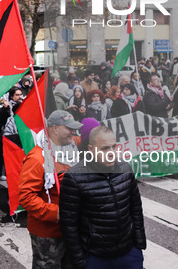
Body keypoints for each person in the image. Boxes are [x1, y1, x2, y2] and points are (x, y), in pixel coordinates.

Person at [59, 126, 146, 268]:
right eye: (105, 148)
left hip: (128, 252)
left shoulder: (125, 169)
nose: (111, 153)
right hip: (95, 256)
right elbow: (69, 225)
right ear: (91, 149)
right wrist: (80, 261)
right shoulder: (74, 177)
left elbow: (135, 208)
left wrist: (139, 243)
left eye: (114, 147)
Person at [19, 110, 83, 269]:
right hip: (48, 233)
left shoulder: (70, 151)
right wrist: (57, 212)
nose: (73, 132)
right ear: (54, 129)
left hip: (71, 229)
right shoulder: (37, 158)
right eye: (69, 128)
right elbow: (26, 197)